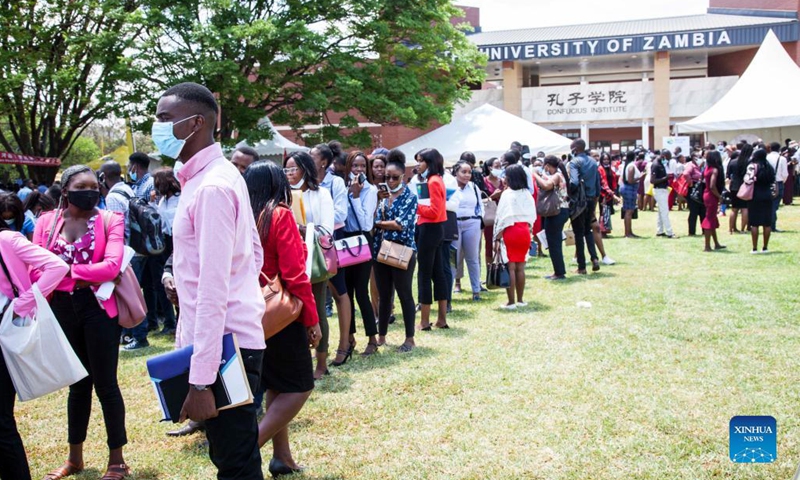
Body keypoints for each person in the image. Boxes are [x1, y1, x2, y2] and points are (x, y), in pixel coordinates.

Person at [154, 82, 266, 479]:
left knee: (235, 465)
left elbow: (213, 290)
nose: (158, 127)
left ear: (196, 122)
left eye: (165, 119)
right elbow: (253, 253)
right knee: (233, 459)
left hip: (224, 348)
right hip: (220, 341)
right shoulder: (211, 178)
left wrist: (201, 382)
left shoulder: (213, 186)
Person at [32, 165, 130, 480]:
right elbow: (35, 270)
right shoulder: (46, 223)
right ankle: (75, 458)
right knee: (77, 385)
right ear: (66, 191)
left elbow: (112, 266)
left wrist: (66, 272)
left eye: (94, 185)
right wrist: (79, 273)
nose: (90, 191)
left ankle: (117, 460)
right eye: (82, 186)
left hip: (98, 308)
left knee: (106, 384)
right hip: (62, 307)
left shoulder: (110, 220)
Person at [243, 160, 321, 478]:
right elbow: (294, 274)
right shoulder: (280, 214)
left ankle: (282, 457)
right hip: (281, 313)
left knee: (276, 385)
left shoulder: (246, 217)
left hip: (251, 312)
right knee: (300, 386)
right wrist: (312, 318)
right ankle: (248, 450)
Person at [0, 217, 69, 480]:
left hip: (5, 331)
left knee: (1, 421)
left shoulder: (7, 239)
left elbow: (56, 266)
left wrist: (21, 304)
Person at [285, 151, 342, 378]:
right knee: (293, 312)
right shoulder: (284, 194)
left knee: (317, 309)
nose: (289, 174)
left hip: (315, 259)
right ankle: (300, 359)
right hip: (290, 258)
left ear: (306, 170)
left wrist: (301, 228)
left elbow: (327, 229)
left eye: (293, 169)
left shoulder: (322, 194)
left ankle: (321, 362)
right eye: (286, 170)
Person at [308, 145, 352, 368]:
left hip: (330, 241)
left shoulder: (334, 183)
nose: (308, 158)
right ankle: (321, 348)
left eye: (312, 156)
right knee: (319, 297)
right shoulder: (303, 183)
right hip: (310, 245)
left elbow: (341, 213)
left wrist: (314, 223)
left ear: (324, 162)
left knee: (339, 291)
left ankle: (344, 345)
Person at [373, 154, 418, 351]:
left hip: (403, 251)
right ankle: (381, 336)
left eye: (395, 177)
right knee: (384, 296)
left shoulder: (410, 197)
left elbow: (400, 225)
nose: (390, 181)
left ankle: (409, 339)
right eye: (387, 177)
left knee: (405, 295)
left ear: (403, 176)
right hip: (381, 251)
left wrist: (378, 224)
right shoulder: (381, 198)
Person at [342, 151, 379, 356]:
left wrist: (356, 196)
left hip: (362, 241)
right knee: (345, 292)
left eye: (362, 166)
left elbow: (366, 224)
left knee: (361, 291)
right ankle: (349, 337)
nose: (358, 170)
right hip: (344, 241)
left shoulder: (370, 190)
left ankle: (372, 339)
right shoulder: (341, 188)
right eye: (355, 166)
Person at [415, 148, 449, 331]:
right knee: (437, 273)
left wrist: (416, 206)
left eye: (421, 161)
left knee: (425, 275)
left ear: (430, 162)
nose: (418, 164)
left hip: (429, 229)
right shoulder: (435, 180)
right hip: (434, 230)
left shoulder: (434, 181)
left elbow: (434, 212)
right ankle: (441, 319)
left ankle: (424, 321)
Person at [493, 164, 536, 309]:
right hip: (524, 231)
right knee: (520, 267)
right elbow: (532, 216)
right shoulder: (527, 193)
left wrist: (497, 238)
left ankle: (511, 302)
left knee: (510, 267)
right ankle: (521, 300)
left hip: (510, 231)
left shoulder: (507, 194)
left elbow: (501, 218)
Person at [151, 168, 180, 335]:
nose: (156, 186)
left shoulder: (179, 199)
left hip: (177, 241)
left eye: (158, 182)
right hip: (164, 242)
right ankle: (171, 321)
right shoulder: (162, 201)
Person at [451, 160, 484, 301]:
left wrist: (479, 219)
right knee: (453, 259)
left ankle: (476, 291)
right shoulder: (450, 187)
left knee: (473, 257)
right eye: (463, 172)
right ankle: (448, 294)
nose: (467, 175)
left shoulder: (474, 187)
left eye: (469, 172)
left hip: (472, 222)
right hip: (454, 223)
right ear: (456, 172)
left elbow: (480, 205)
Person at [533, 156, 569, 280]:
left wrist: (535, 175)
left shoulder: (557, 175)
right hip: (562, 211)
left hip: (556, 212)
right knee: (555, 241)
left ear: (547, 165)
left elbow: (547, 186)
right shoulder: (560, 174)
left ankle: (559, 272)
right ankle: (559, 270)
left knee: (554, 243)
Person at [568, 139, 601, 274]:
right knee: (588, 231)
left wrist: (568, 191)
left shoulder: (574, 162)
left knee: (579, 233)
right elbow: (598, 184)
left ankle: (582, 266)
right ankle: (594, 258)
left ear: (575, 148)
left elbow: (574, 182)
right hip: (591, 199)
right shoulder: (593, 162)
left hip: (579, 201)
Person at [747, 149, 776, 253]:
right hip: (767, 195)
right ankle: (765, 247)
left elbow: (747, 180)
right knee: (767, 223)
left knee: (754, 223)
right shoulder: (769, 167)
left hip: (755, 195)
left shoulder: (752, 166)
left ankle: (754, 248)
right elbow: (773, 181)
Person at [701, 151, 726, 252]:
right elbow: (712, 186)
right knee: (710, 219)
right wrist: (719, 196)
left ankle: (716, 243)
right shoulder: (715, 170)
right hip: (712, 196)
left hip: (706, 194)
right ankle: (707, 246)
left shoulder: (707, 168)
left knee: (712, 218)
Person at [482, 157, 505, 265]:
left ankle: (502, 267)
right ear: (490, 167)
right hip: (490, 216)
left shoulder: (504, 181)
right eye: (496, 167)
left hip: (503, 215)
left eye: (500, 166)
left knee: (503, 242)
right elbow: (481, 200)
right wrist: (493, 196)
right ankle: (489, 271)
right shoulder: (484, 181)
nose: (499, 169)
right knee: (489, 243)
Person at [651, 151, 676, 238]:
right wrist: (666, 178)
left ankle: (660, 230)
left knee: (661, 212)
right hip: (659, 190)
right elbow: (652, 180)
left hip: (663, 189)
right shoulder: (656, 165)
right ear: (664, 156)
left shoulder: (661, 163)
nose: (668, 160)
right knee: (665, 212)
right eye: (668, 158)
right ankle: (670, 232)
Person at [766, 142, 788, 231]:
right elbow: (785, 174)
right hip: (778, 182)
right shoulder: (782, 159)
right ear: (779, 149)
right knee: (774, 206)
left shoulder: (766, 157)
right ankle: (772, 226)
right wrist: (782, 182)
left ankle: (768, 224)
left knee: (769, 205)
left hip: (767, 183)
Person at [683, 153, 705, 237]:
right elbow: (685, 174)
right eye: (698, 157)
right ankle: (692, 231)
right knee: (694, 211)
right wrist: (690, 183)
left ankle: (704, 230)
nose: (700, 159)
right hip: (693, 190)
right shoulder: (691, 166)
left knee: (703, 211)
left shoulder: (699, 167)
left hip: (700, 190)